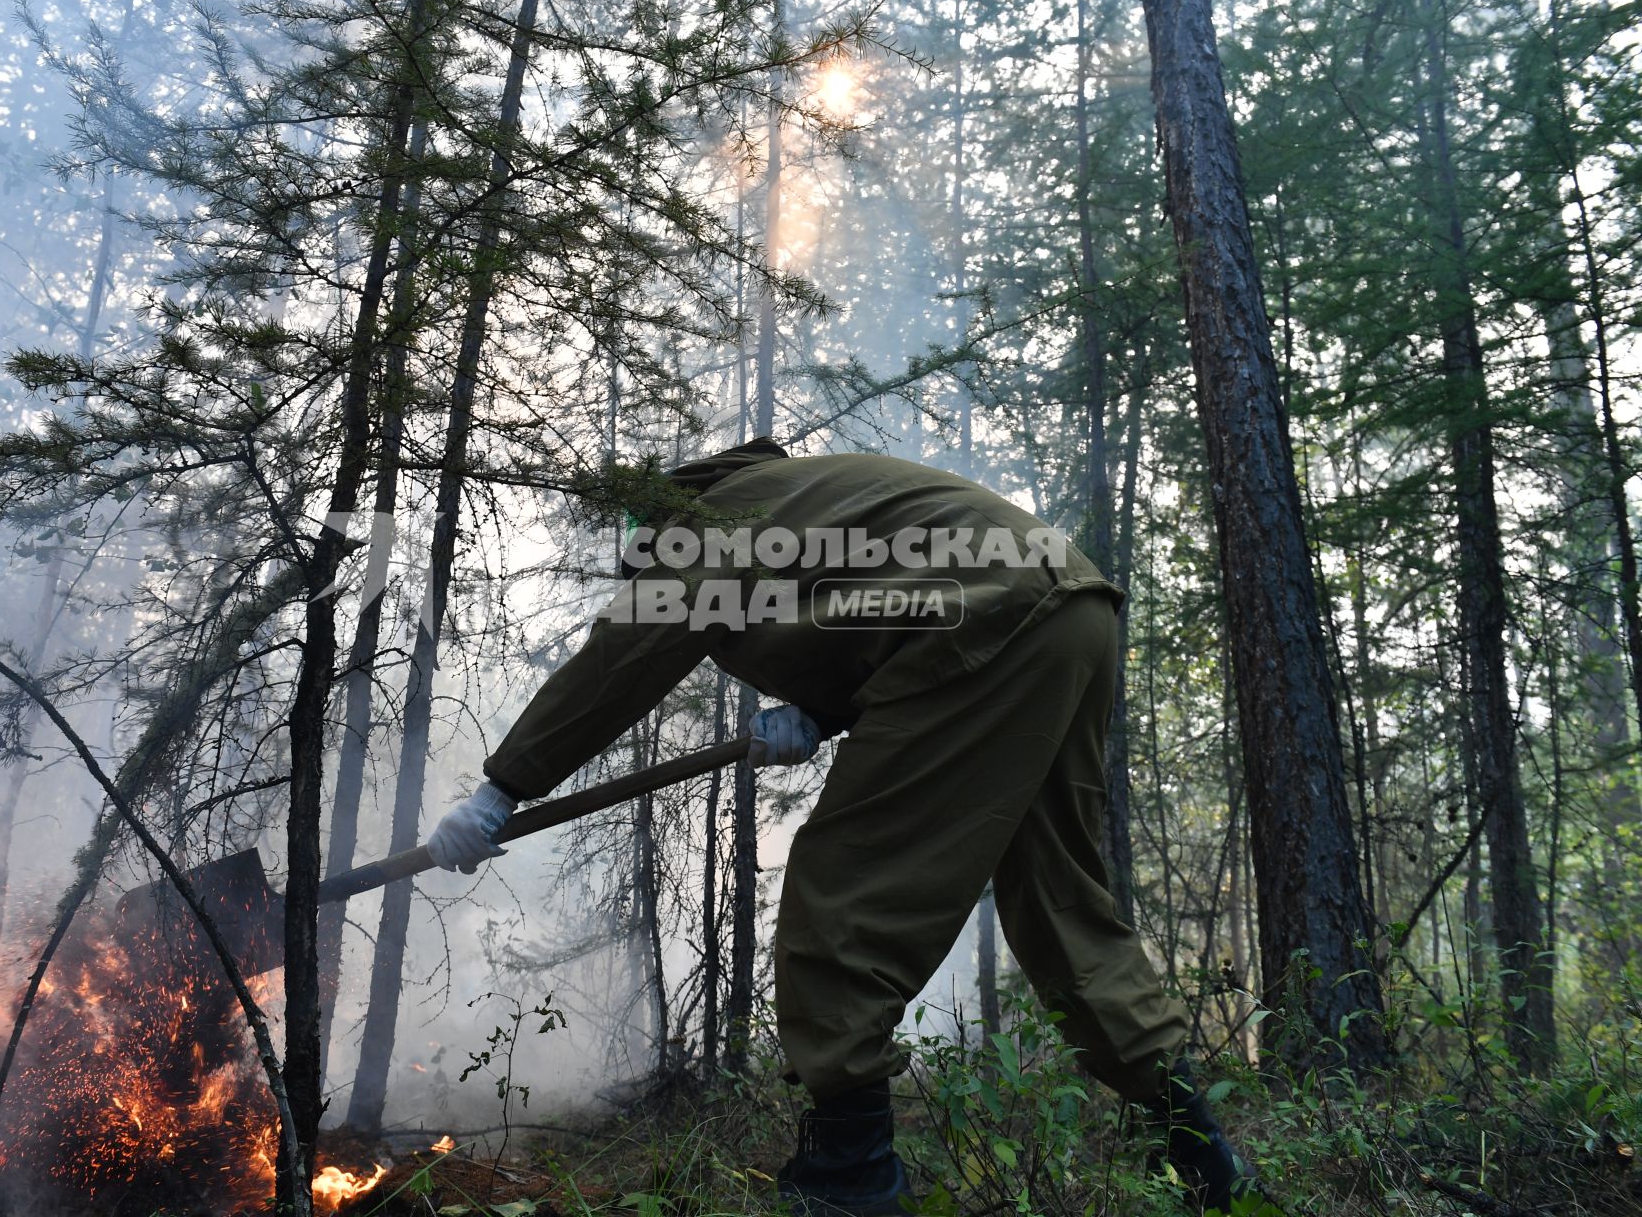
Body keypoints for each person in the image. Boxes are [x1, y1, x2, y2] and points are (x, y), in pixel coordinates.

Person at [425, 439, 1261, 1215]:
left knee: (843, 891)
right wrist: (824, 714)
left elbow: (621, 659)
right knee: (1058, 892)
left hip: (981, 623)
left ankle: (851, 1177)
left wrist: (503, 789)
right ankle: (1196, 1149)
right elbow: (882, 606)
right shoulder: (801, 496)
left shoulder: (706, 526)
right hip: (1071, 611)